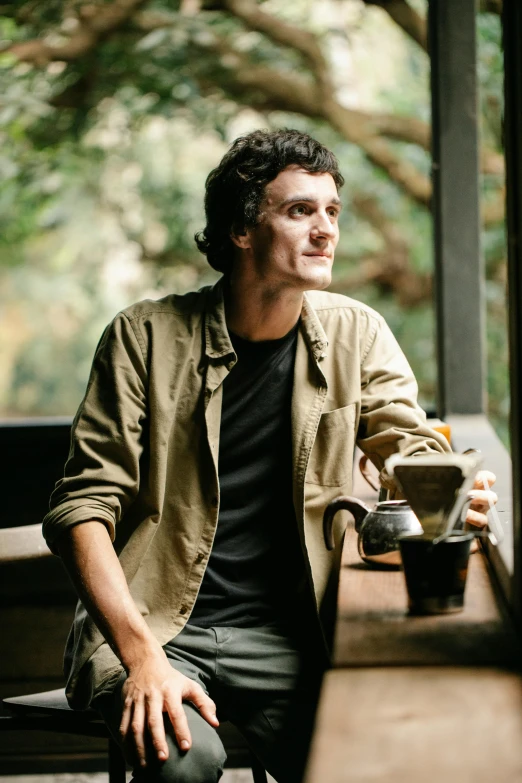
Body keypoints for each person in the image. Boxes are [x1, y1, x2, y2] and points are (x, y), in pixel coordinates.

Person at [42, 129, 496, 783]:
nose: (326, 230)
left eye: (332, 211)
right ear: (241, 230)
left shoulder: (357, 334)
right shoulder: (142, 337)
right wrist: (142, 658)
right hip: (160, 626)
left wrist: (448, 489)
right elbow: (82, 505)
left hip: (296, 633)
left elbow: (412, 447)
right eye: (299, 210)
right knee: (180, 762)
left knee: (374, 756)